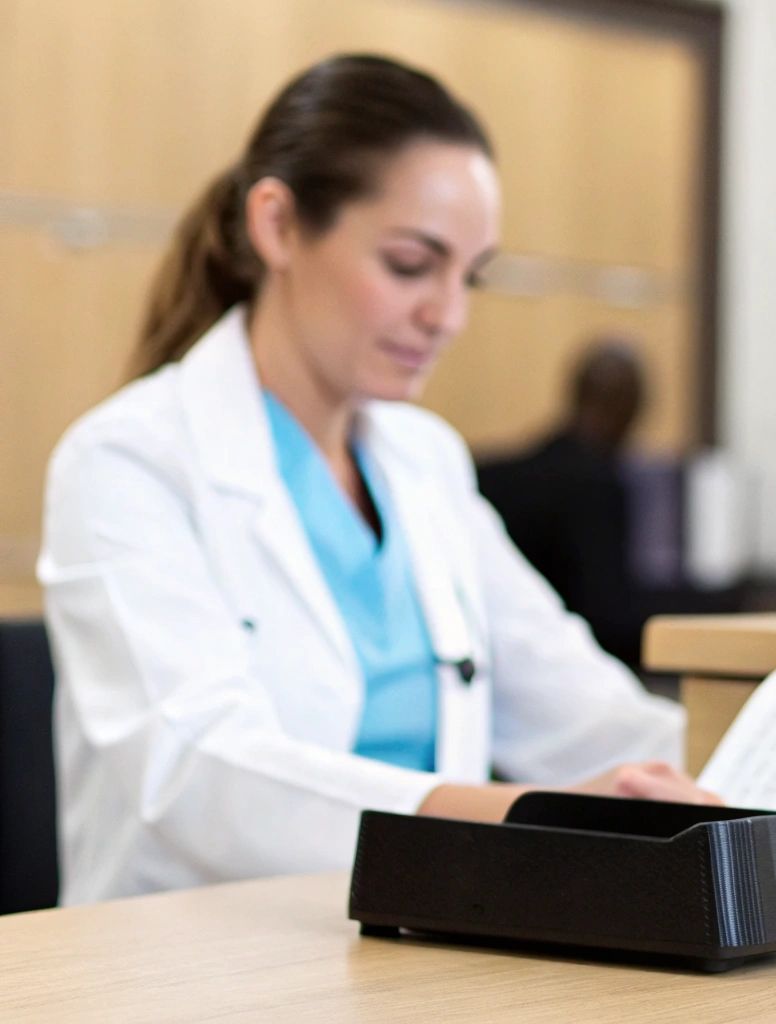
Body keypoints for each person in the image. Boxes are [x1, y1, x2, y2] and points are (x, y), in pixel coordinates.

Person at [36, 54, 718, 905]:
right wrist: (516, 819)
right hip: (197, 963)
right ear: (278, 226)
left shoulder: (423, 460)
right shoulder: (130, 460)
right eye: (409, 264)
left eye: (468, 276)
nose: (448, 315)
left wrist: (759, 779)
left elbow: (579, 709)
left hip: (411, 944)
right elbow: (199, 775)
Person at [478, 341, 646, 666]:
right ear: (632, 410)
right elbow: (608, 619)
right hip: (557, 662)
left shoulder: (492, 475)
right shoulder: (596, 486)